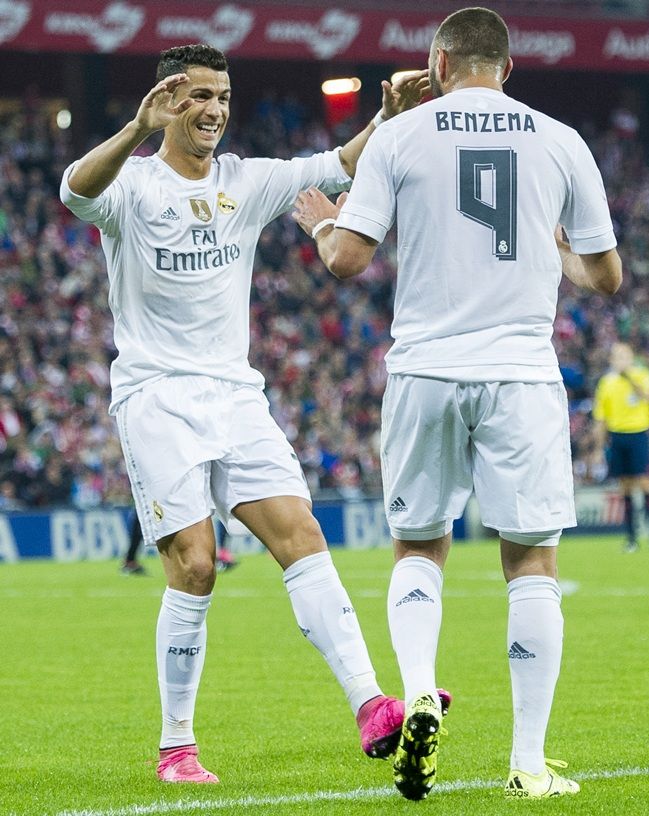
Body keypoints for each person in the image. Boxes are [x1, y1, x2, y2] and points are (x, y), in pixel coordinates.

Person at [60, 44, 441, 783]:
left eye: (223, 97)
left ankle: (371, 704)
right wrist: (137, 128)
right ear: (168, 102)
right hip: (157, 396)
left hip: (235, 394)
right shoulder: (132, 187)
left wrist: (386, 120)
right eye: (199, 96)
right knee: (196, 566)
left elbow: (338, 163)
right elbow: (76, 190)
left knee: (301, 534)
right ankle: (177, 747)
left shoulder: (247, 181)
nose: (215, 110)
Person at [293, 6, 622, 801]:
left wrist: (319, 222)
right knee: (532, 564)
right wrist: (553, 252)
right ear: (507, 68)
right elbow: (606, 278)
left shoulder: (402, 136)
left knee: (419, 549)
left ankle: (415, 695)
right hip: (519, 374)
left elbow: (346, 260)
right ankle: (529, 764)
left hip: (426, 370)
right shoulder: (560, 139)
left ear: (439, 63)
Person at [593, 342, 649, 552]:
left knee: (644, 482)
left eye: (624, 356)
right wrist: (598, 448)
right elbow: (600, 418)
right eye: (616, 356)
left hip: (639, 434)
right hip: (617, 436)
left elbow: (648, 397)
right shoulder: (606, 382)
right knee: (624, 487)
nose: (620, 360)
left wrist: (629, 378)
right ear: (611, 360)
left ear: (631, 357)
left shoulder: (642, 376)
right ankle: (631, 538)